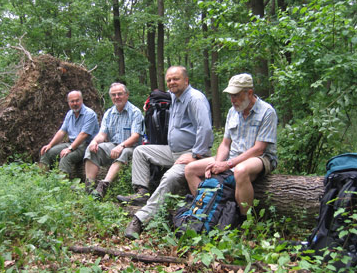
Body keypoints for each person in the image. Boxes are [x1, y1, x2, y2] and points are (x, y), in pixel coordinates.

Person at [117, 66, 214, 239]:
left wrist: (195, 154)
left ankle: (139, 219)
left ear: (186, 80)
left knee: (168, 177)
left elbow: (205, 129)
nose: (171, 83)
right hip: (173, 151)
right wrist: (148, 104)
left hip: (192, 155)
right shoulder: (175, 97)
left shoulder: (195, 99)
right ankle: (141, 193)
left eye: (176, 79)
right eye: (169, 80)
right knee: (140, 151)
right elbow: (158, 97)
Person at [184, 73, 278, 223]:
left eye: (236, 95)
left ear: (249, 93)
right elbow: (225, 143)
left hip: (260, 158)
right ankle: (206, 212)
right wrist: (217, 163)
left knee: (240, 171)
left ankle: (244, 221)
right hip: (232, 157)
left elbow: (259, 149)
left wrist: (227, 165)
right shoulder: (232, 112)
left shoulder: (267, 112)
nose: (233, 100)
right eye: (230, 96)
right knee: (190, 169)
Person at [84, 82, 144, 199]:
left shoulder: (135, 112)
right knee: (92, 149)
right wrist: (94, 141)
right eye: (113, 95)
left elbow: (135, 136)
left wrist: (121, 146)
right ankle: (89, 187)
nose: (117, 97)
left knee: (125, 152)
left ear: (127, 95)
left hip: (132, 148)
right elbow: (102, 134)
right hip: (113, 146)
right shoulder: (109, 113)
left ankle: (103, 186)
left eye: (119, 94)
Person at [39, 90, 99, 177]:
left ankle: (63, 185)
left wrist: (70, 149)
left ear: (82, 100)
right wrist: (50, 145)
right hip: (71, 143)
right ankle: (42, 180)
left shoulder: (90, 114)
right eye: (72, 101)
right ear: (68, 102)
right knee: (46, 153)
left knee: (66, 156)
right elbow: (62, 131)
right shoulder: (69, 114)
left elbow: (83, 135)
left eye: (77, 100)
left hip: (86, 145)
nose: (75, 103)